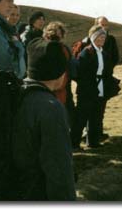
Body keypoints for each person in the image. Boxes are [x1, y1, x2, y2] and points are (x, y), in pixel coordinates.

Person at [12, 37, 76, 200]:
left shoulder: (13, 93)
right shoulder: (51, 107)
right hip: (33, 193)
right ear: (59, 73)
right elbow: (59, 169)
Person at [71, 26, 113, 149]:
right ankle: (74, 144)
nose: (102, 39)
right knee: (81, 117)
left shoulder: (104, 53)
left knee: (96, 116)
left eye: (104, 37)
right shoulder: (86, 52)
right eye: (100, 37)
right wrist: (90, 85)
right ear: (93, 37)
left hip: (100, 88)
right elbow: (81, 73)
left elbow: (107, 71)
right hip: (87, 90)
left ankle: (93, 142)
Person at [43, 21, 75, 126]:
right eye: (54, 33)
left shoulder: (64, 48)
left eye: (59, 32)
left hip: (64, 86)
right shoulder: (46, 48)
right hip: (51, 87)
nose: (58, 35)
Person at [94, 16, 119, 139]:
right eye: (101, 24)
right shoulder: (90, 40)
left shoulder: (111, 40)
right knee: (92, 106)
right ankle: (89, 133)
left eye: (106, 25)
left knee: (101, 106)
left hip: (106, 77)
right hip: (93, 79)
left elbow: (115, 57)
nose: (104, 27)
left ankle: (98, 132)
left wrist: (107, 69)